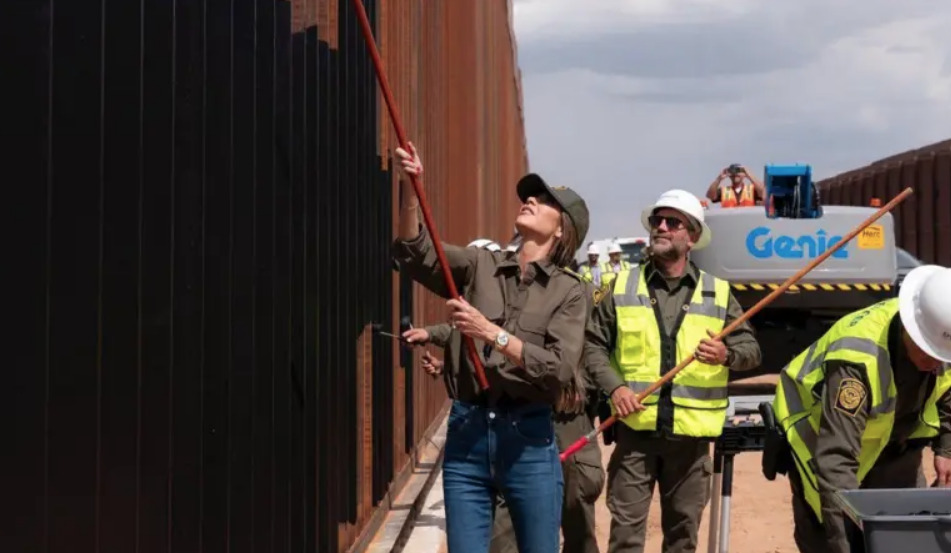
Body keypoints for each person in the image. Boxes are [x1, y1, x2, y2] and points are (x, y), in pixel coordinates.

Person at [392, 142, 590, 553]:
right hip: (468, 434)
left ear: (562, 229)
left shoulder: (570, 292)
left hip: (530, 441)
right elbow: (418, 254)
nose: (530, 200)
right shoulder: (482, 264)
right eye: (529, 196)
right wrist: (412, 188)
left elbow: (559, 368)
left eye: (546, 200)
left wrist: (489, 332)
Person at [585, 189, 762, 553]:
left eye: (672, 222)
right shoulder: (621, 286)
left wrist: (726, 354)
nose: (661, 227)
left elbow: (752, 350)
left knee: (682, 539)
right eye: (657, 221)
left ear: (692, 237)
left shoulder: (718, 293)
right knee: (625, 538)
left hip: (691, 443)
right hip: (635, 436)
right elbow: (592, 346)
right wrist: (616, 388)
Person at [770, 265, 951, 553]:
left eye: (941, 355)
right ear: (909, 327)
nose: (935, 362)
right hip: (824, 452)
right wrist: (846, 544)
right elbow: (835, 460)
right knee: (833, 542)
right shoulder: (856, 361)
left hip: (895, 450)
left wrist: (946, 450)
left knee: (909, 541)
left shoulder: (942, 334)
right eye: (927, 351)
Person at [488, 267, 608, 553]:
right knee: (506, 526)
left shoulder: (585, 291)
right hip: (519, 416)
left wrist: (584, 388)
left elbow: (600, 349)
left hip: (569, 418)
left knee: (576, 513)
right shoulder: (509, 284)